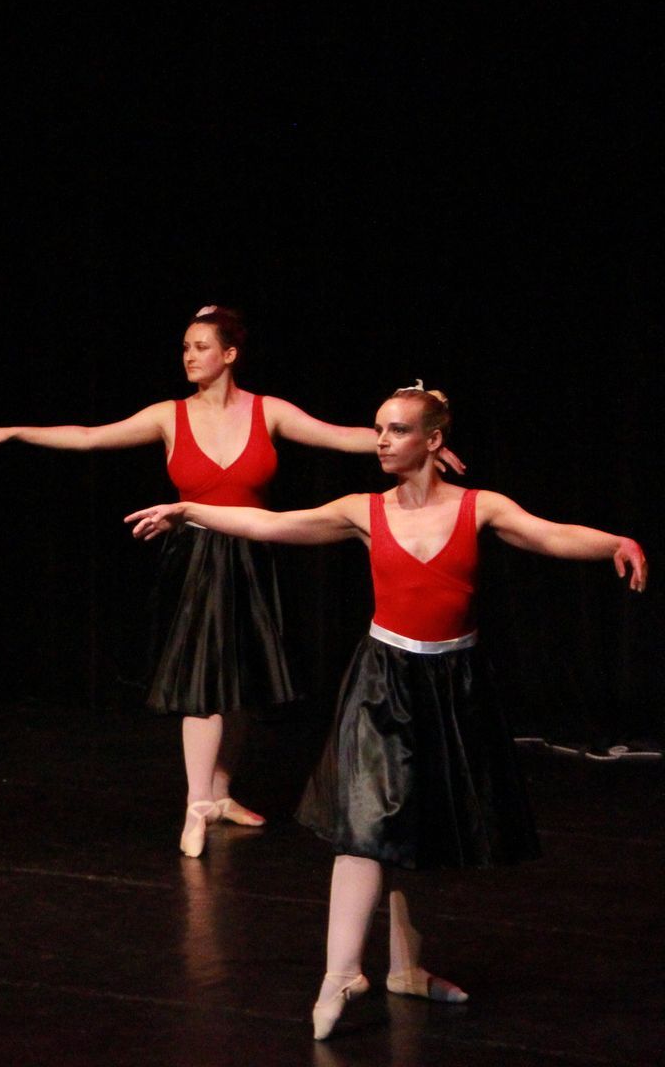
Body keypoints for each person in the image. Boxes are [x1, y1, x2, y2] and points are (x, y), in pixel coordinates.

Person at [128, 385, 645, 1039]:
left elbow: (549, 535)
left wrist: (613, 544)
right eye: (377, 429)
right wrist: (189, 511)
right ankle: (340, 971)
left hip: (453, 683)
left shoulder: (480, 507)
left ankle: (406, 967)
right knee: (366, 827)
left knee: (418, 832)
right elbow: (273, 523)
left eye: (396, 430)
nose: (380, 441)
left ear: (432, 440)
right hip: (383, 680)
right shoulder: (361, 510)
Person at [0, 305, 464, 857]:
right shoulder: (168, 415)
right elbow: (89, 436)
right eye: (184, 347)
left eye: (200, 346)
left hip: (254, 555)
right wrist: (17, 431)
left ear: (229, 354)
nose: (188, 356)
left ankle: (222, 793)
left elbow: (339, 436)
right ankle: (196, 801)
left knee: (242, 684)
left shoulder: (266, 411)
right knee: (202, 684)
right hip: (197, 559)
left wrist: (423, 449)